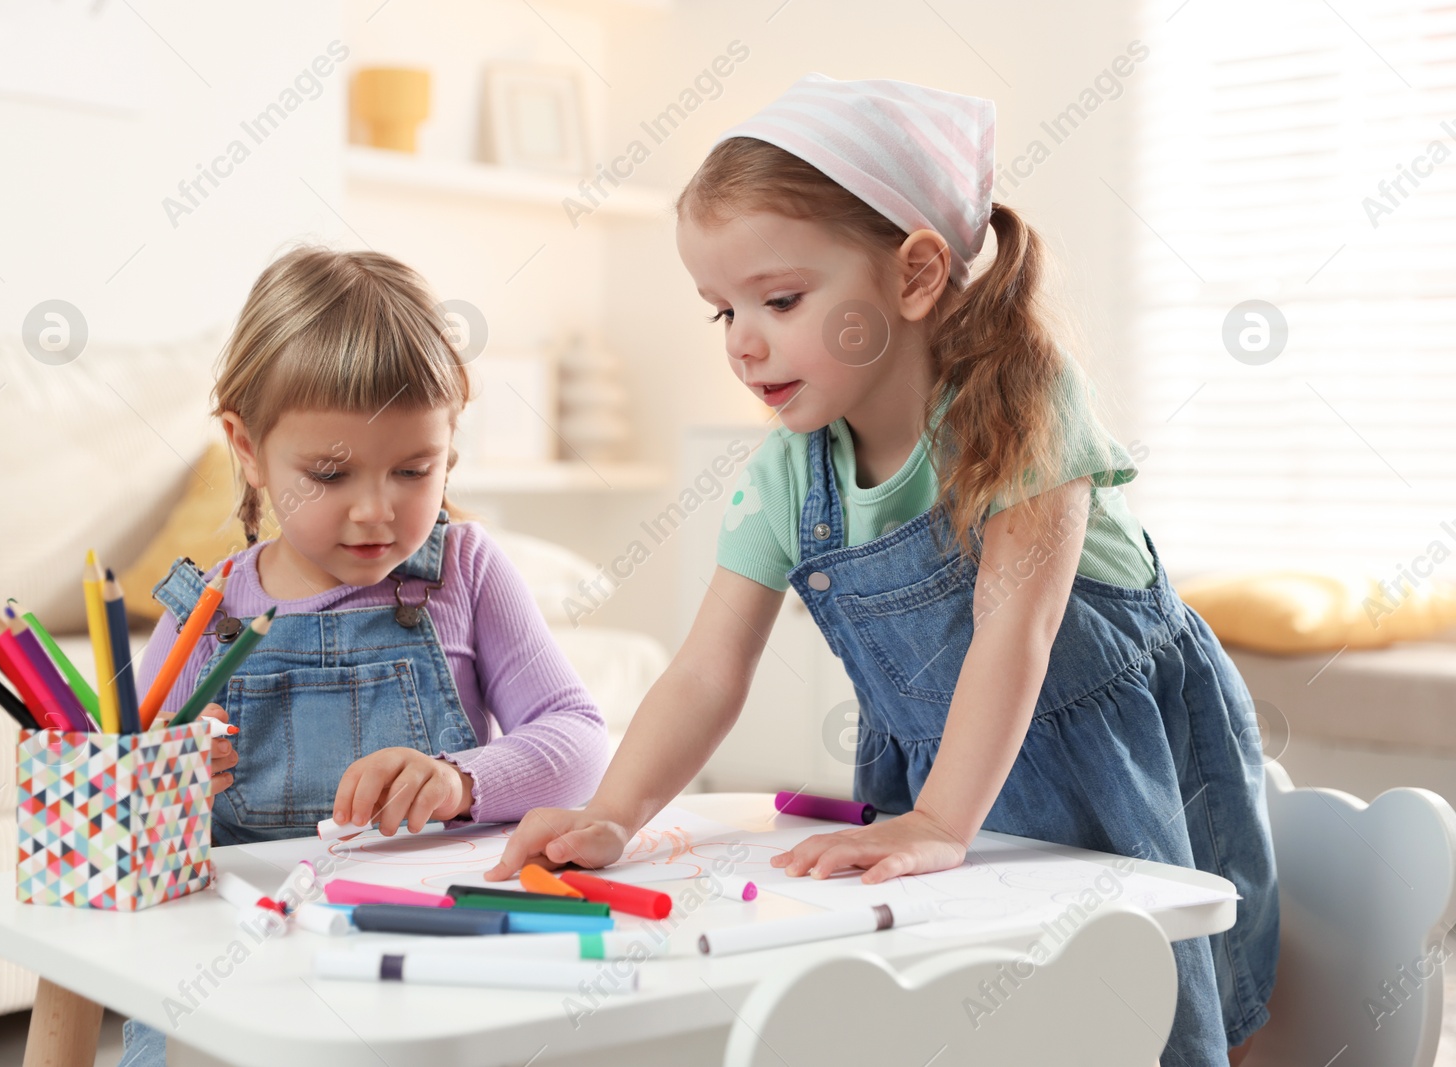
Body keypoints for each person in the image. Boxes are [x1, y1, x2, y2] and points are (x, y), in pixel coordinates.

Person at [488, 75, 1276, 1066]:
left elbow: (1015, 631)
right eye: (719, 310)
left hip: (1111, 762)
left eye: (778, 298)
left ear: (912, 275)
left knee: (1144, 1014)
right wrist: (612, 812)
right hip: (936, 784)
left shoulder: (1024, 406)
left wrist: (943, 819)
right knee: (972, 1023)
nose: (743, 340)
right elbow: (704, 670)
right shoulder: (787, 472)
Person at [119, 245, 609, 1065]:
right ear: (246, 446)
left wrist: (460, 780)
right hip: (229, 975)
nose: (375, 511)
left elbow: (582, 742)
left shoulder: (466, 571)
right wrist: (158, 770)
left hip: (419, 964)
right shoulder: (205, 611)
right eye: (331, 474)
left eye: (414, 469)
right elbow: (115, 800)